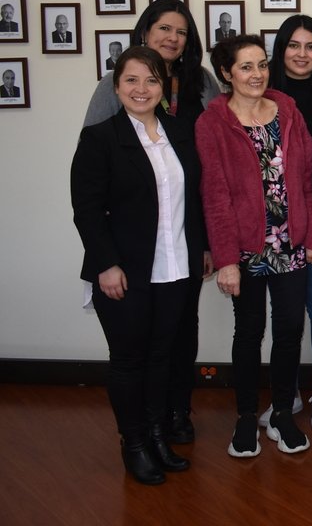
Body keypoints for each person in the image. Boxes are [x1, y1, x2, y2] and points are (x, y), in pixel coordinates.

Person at [82, 0, 222, 444]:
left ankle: (170, 417)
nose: (171, 37)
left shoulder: (198, 89)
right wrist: (106, 257)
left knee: (177, 340)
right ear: (145, 32)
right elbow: (92, 188)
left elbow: (209, 167)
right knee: (134, 349)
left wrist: (205, 242)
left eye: (180, 31)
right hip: (131, 243)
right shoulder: (109, 106)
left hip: (182, 240)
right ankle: (139, 435)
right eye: (163, 28)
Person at [70, 47, 207, 485]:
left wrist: (202, 248)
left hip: (175, 266)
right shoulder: (100, 138)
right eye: (131, 80)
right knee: (129, 360)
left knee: (162, 356)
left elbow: (196, 200)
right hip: (124, 271)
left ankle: (156, 434)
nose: (141, 89)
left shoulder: (180, 131)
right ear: (117, 87)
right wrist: (106, 265)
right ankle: (133, 444)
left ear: (164, 87)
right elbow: (86, 209)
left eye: (151, 80)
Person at [196, 35, 312, 458]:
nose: (256, 75)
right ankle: (246, 418)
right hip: (246, 247)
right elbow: (214, 196)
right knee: (249, 332)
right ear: (226, 73)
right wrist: (226, 261)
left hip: (291, 244)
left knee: (290, 330)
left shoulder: (287, 110)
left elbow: (308, 179)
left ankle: (282, 414)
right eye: (245, 67)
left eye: (261, 65)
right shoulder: (213, 122)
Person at [262, 15, 312, 432]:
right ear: (280, 49)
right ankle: (286, 393)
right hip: (274, 224)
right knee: (285, 315)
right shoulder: (260, 94)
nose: (302, 54)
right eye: (294, 45)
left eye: (311, 47)